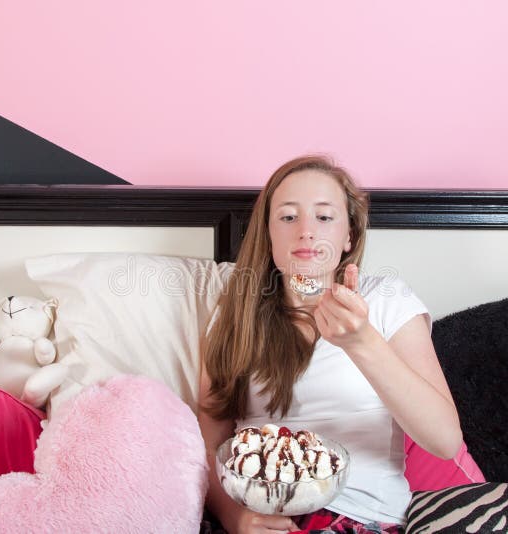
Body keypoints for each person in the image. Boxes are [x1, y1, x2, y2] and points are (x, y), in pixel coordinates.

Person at [198, 155, 463, 533]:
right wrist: (234, 516)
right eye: (288, 217)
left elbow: (445, 441)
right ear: (268, 233)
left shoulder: (388, 301)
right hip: (262, 514)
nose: (306, 231)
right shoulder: (235, 316)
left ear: (349, 235)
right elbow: (209, 446)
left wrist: (361, 342)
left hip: (362, 517)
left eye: (324, 217)